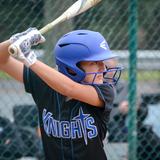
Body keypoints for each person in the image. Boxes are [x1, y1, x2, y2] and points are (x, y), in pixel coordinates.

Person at [0, 28, 122, 160]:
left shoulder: (105, 91)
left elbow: (69, 88)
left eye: (102, 62)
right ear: (71, 68)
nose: (103, 69)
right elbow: (2, 60)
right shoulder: (44, 84)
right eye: (94, 63)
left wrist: (29, 58)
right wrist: (14, 40)